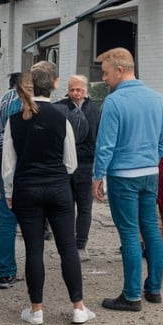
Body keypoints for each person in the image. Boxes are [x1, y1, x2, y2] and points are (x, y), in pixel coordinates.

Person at [3, 68, 94, 325]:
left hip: (26, 187)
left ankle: (36, 309)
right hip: (57, 187)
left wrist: (9, 192)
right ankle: (78, 306)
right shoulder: (61, 116)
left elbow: (8, 164)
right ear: (53, 86)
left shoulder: (15, 119)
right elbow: (71, 162)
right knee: (68, 247)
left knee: (34, 248)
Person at [91, 47, 163, 312]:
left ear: (120, 70)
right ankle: (154, 288)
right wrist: (149, 159)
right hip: (150, 172)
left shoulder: (114, 102)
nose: (105, 78)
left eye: (106, 73)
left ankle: (132, 294)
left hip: (123, 175)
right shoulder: (157, 98)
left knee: (129, 233)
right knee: (151, 229)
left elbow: (106, 145)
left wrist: (98, 175)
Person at [55, 74, 102, 260]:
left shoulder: (93, 110)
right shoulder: (59, 107)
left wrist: (73, 150)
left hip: (84, 166)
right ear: (68, 90)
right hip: (65, 168)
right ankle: (67, 246)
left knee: (84, 207)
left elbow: (94, 139)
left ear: (86, 90)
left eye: (79, 90)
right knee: (66, 207)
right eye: (72, 89)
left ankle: (81, 245)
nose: (75, 93)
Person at [0, 72, 22, 288]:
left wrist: (0, 154)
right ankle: (33, 269)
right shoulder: (24, 100)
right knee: (31, 217)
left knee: (6, 214)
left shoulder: (1, 100)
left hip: (4, 163)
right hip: (27, 164)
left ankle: (6, 271)